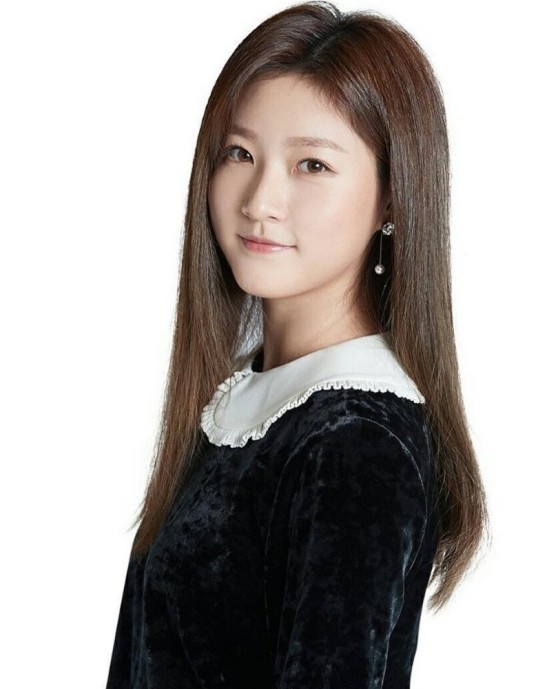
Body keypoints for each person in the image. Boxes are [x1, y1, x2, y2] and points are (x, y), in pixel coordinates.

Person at [105, 2, 490, 687]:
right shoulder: (240, 400)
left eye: (312, 164)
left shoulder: (356, 442)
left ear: (392, 198)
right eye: (240, 153)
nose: (260, 200)